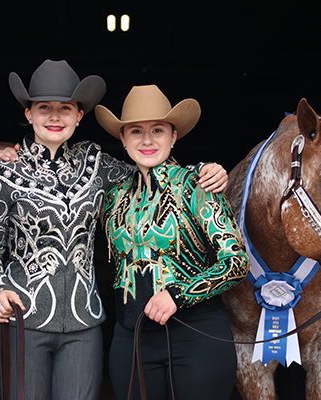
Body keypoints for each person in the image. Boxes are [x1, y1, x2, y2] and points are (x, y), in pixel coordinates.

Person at [0, 60, 229, 400]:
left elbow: (149, 168)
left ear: (79, 116)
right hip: (23, 318)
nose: (54, 116)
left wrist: (202, 171)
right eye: (44, 108)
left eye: (64, 108)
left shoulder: (95, 163)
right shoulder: (1, 174)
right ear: (28, 115)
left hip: (84, 323)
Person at [97, 85, 250, 400]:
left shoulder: (199, 186)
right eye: (136, 131)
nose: (148, 140)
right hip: (131, 339)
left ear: (173, 136)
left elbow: (236, 263)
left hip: (196, 335)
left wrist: (178, 294)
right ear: (123, 140)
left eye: (158, 130)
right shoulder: (112, 198)